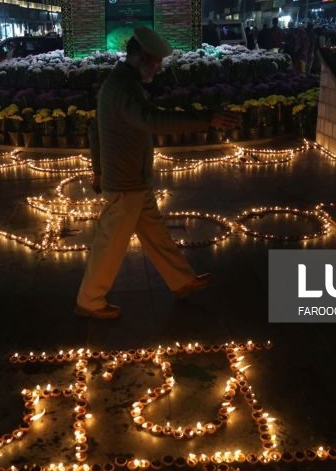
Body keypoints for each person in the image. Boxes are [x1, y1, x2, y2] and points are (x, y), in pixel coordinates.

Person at [74, 27, 241, 319]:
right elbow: (151, 120)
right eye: (154, 61)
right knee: (110, 244)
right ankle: (89, 300)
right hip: (126, 180)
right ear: (137, 56)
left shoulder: (121, 83)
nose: (158, 68)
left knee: (156, 235)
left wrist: (98, 171)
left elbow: (94, 130)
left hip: (132, 177)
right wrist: (206, 119)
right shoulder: (122, 88)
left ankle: (181, 280)